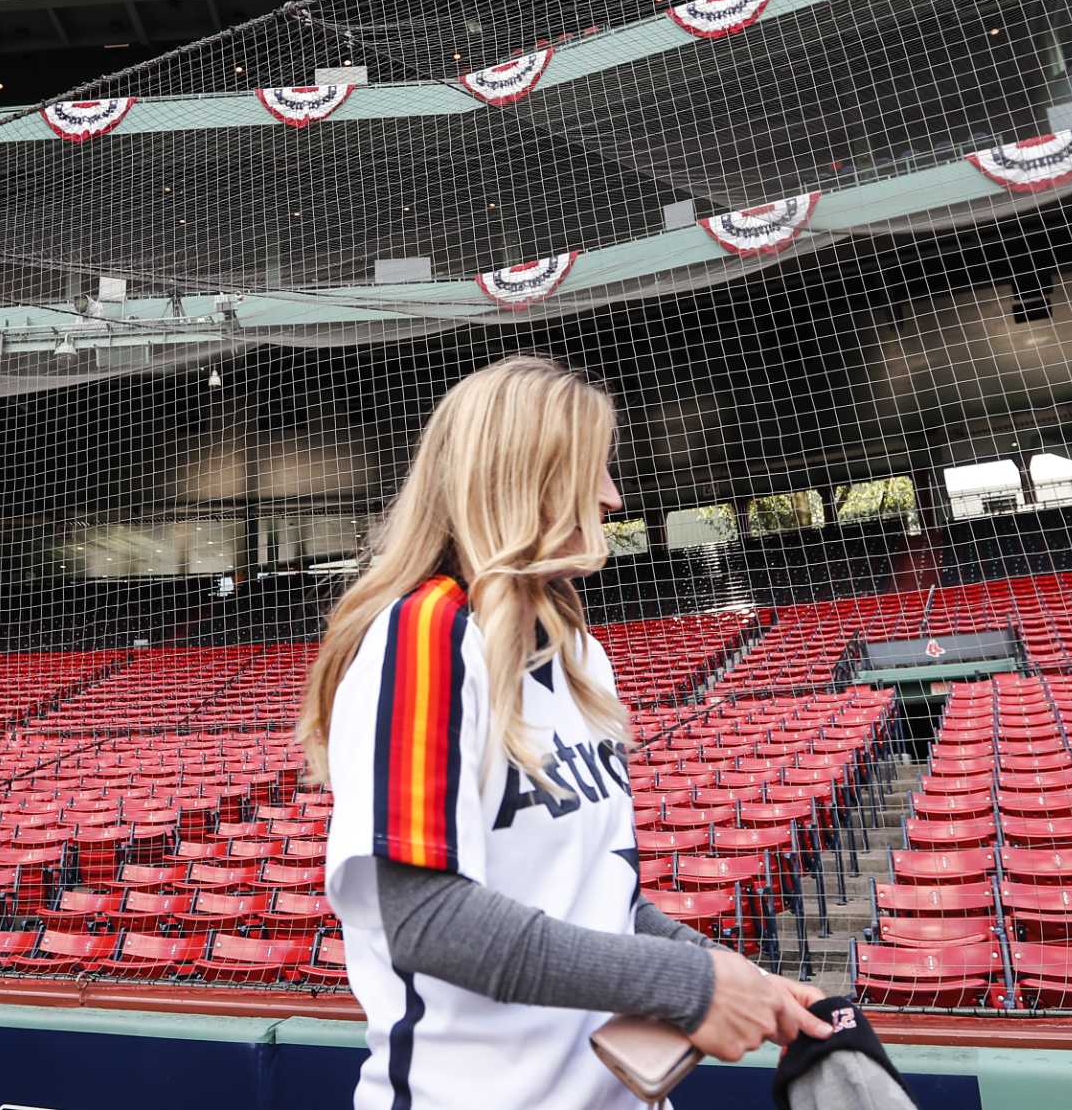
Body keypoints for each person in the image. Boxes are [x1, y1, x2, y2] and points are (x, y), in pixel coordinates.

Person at [297, 356, 830, 1110]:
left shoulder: (582, 655)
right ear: (528, 479)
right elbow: (428, 920)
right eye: (595, 470)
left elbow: (598, 898)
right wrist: (691, 985)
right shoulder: (427, 636)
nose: (613, 497)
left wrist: (739, 980)